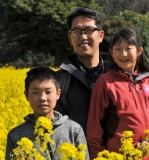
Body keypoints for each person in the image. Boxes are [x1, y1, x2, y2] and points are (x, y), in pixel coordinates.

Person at [86, 28, 149, 159]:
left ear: (139, 51)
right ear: (111, 52)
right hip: (118, 155)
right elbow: (95, 125)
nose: (123, 54)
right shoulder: (105, 82)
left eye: (128, 48)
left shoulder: (148, 81)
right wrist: (98, 156)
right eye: (118, 49)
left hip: (147, 155)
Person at [5, 66, 89, 160]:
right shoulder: (15, 135)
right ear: (26, 95)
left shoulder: (73, 130)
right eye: (35, 92)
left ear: (58, 94)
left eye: (48, 92)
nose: (43, 98)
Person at [55, 6, 111, 135]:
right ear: (70, 38)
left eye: (89, 30)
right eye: (76, 31)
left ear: (101, 35)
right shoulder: (59, 81)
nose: (83, 36)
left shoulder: (120, 75)